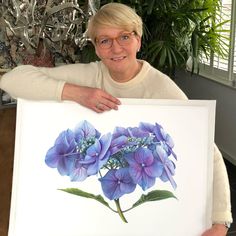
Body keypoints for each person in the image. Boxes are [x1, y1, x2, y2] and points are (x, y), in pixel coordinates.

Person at [0, 3, 232, 235]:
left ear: (138, 41)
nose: (115, 48)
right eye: (105, 40)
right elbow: (11, 80)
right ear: (97, 48)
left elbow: (208, 153)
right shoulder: (89, 75)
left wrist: (220, 221)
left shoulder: (161, 88)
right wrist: (76, 92)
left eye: (124, 37)